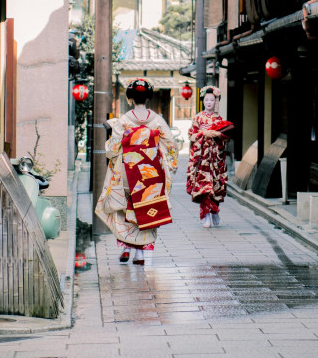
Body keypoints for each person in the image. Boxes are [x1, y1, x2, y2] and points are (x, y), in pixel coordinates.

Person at [95, 78, 179, 265]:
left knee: (126, 209)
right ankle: (140, 254)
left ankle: (126, 248)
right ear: (148, 98)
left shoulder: (123, 121)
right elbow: (171, 145)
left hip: (128, 171)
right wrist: (171, 164)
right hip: (150, 172)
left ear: (131, 98)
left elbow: (113, 149)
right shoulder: (157, 120)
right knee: (147, 209)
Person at [186, 86, 232, 227]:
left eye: (212, 99)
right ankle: (206, 215)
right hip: (202, 158)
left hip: (216, 157)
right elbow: (191, 135)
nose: (209, 102)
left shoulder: (219, 118)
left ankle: (215, 212)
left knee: (216, 185)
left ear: (215, 101)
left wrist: (218, 135)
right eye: (206, 99)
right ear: (203, 101)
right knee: (203, 188)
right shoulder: (198, 118)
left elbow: (226, 137)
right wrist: (203, 134)